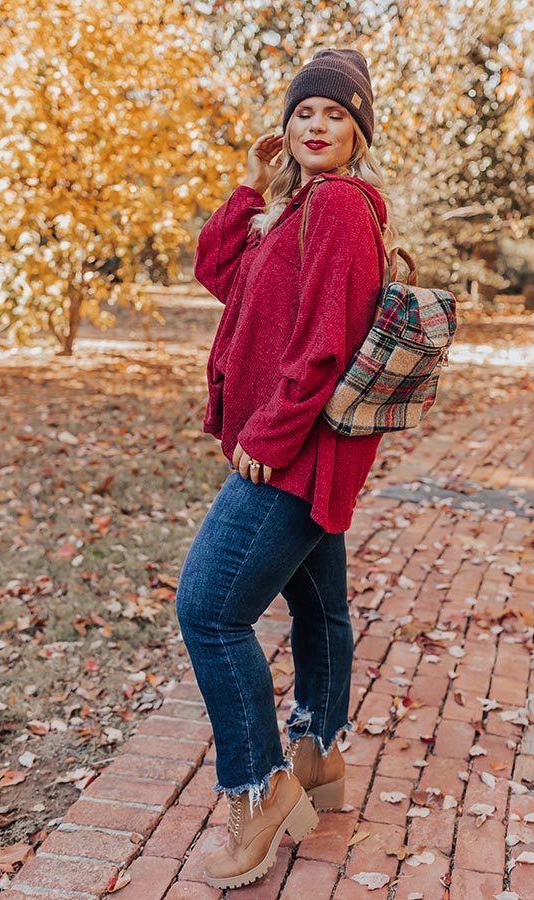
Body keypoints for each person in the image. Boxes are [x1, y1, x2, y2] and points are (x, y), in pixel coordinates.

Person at [175, 48, 396, 890]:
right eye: (305, 111)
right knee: (318, 603)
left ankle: (260, 791)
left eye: (336, 114)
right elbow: (219, 274)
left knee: (208, 610)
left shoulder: (337, 205)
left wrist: (267, 436)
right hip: (306, 451)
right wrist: (249, 185)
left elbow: (325, 343)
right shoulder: (297, 206)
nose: (316, 125)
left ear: (358, 131)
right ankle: (318, 758)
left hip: (293, 452)